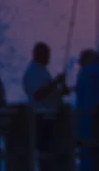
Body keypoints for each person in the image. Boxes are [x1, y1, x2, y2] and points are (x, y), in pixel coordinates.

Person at [22, 42, 68, 171]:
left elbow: (51, 93)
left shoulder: (41, 71)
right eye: (47, 55)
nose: (49, 58)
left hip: (50, 118)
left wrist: (60, 85)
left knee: (51, 155)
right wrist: (55, 83)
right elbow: (38, 94)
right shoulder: (33, 71)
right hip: (42, 118)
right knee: (46, 155)